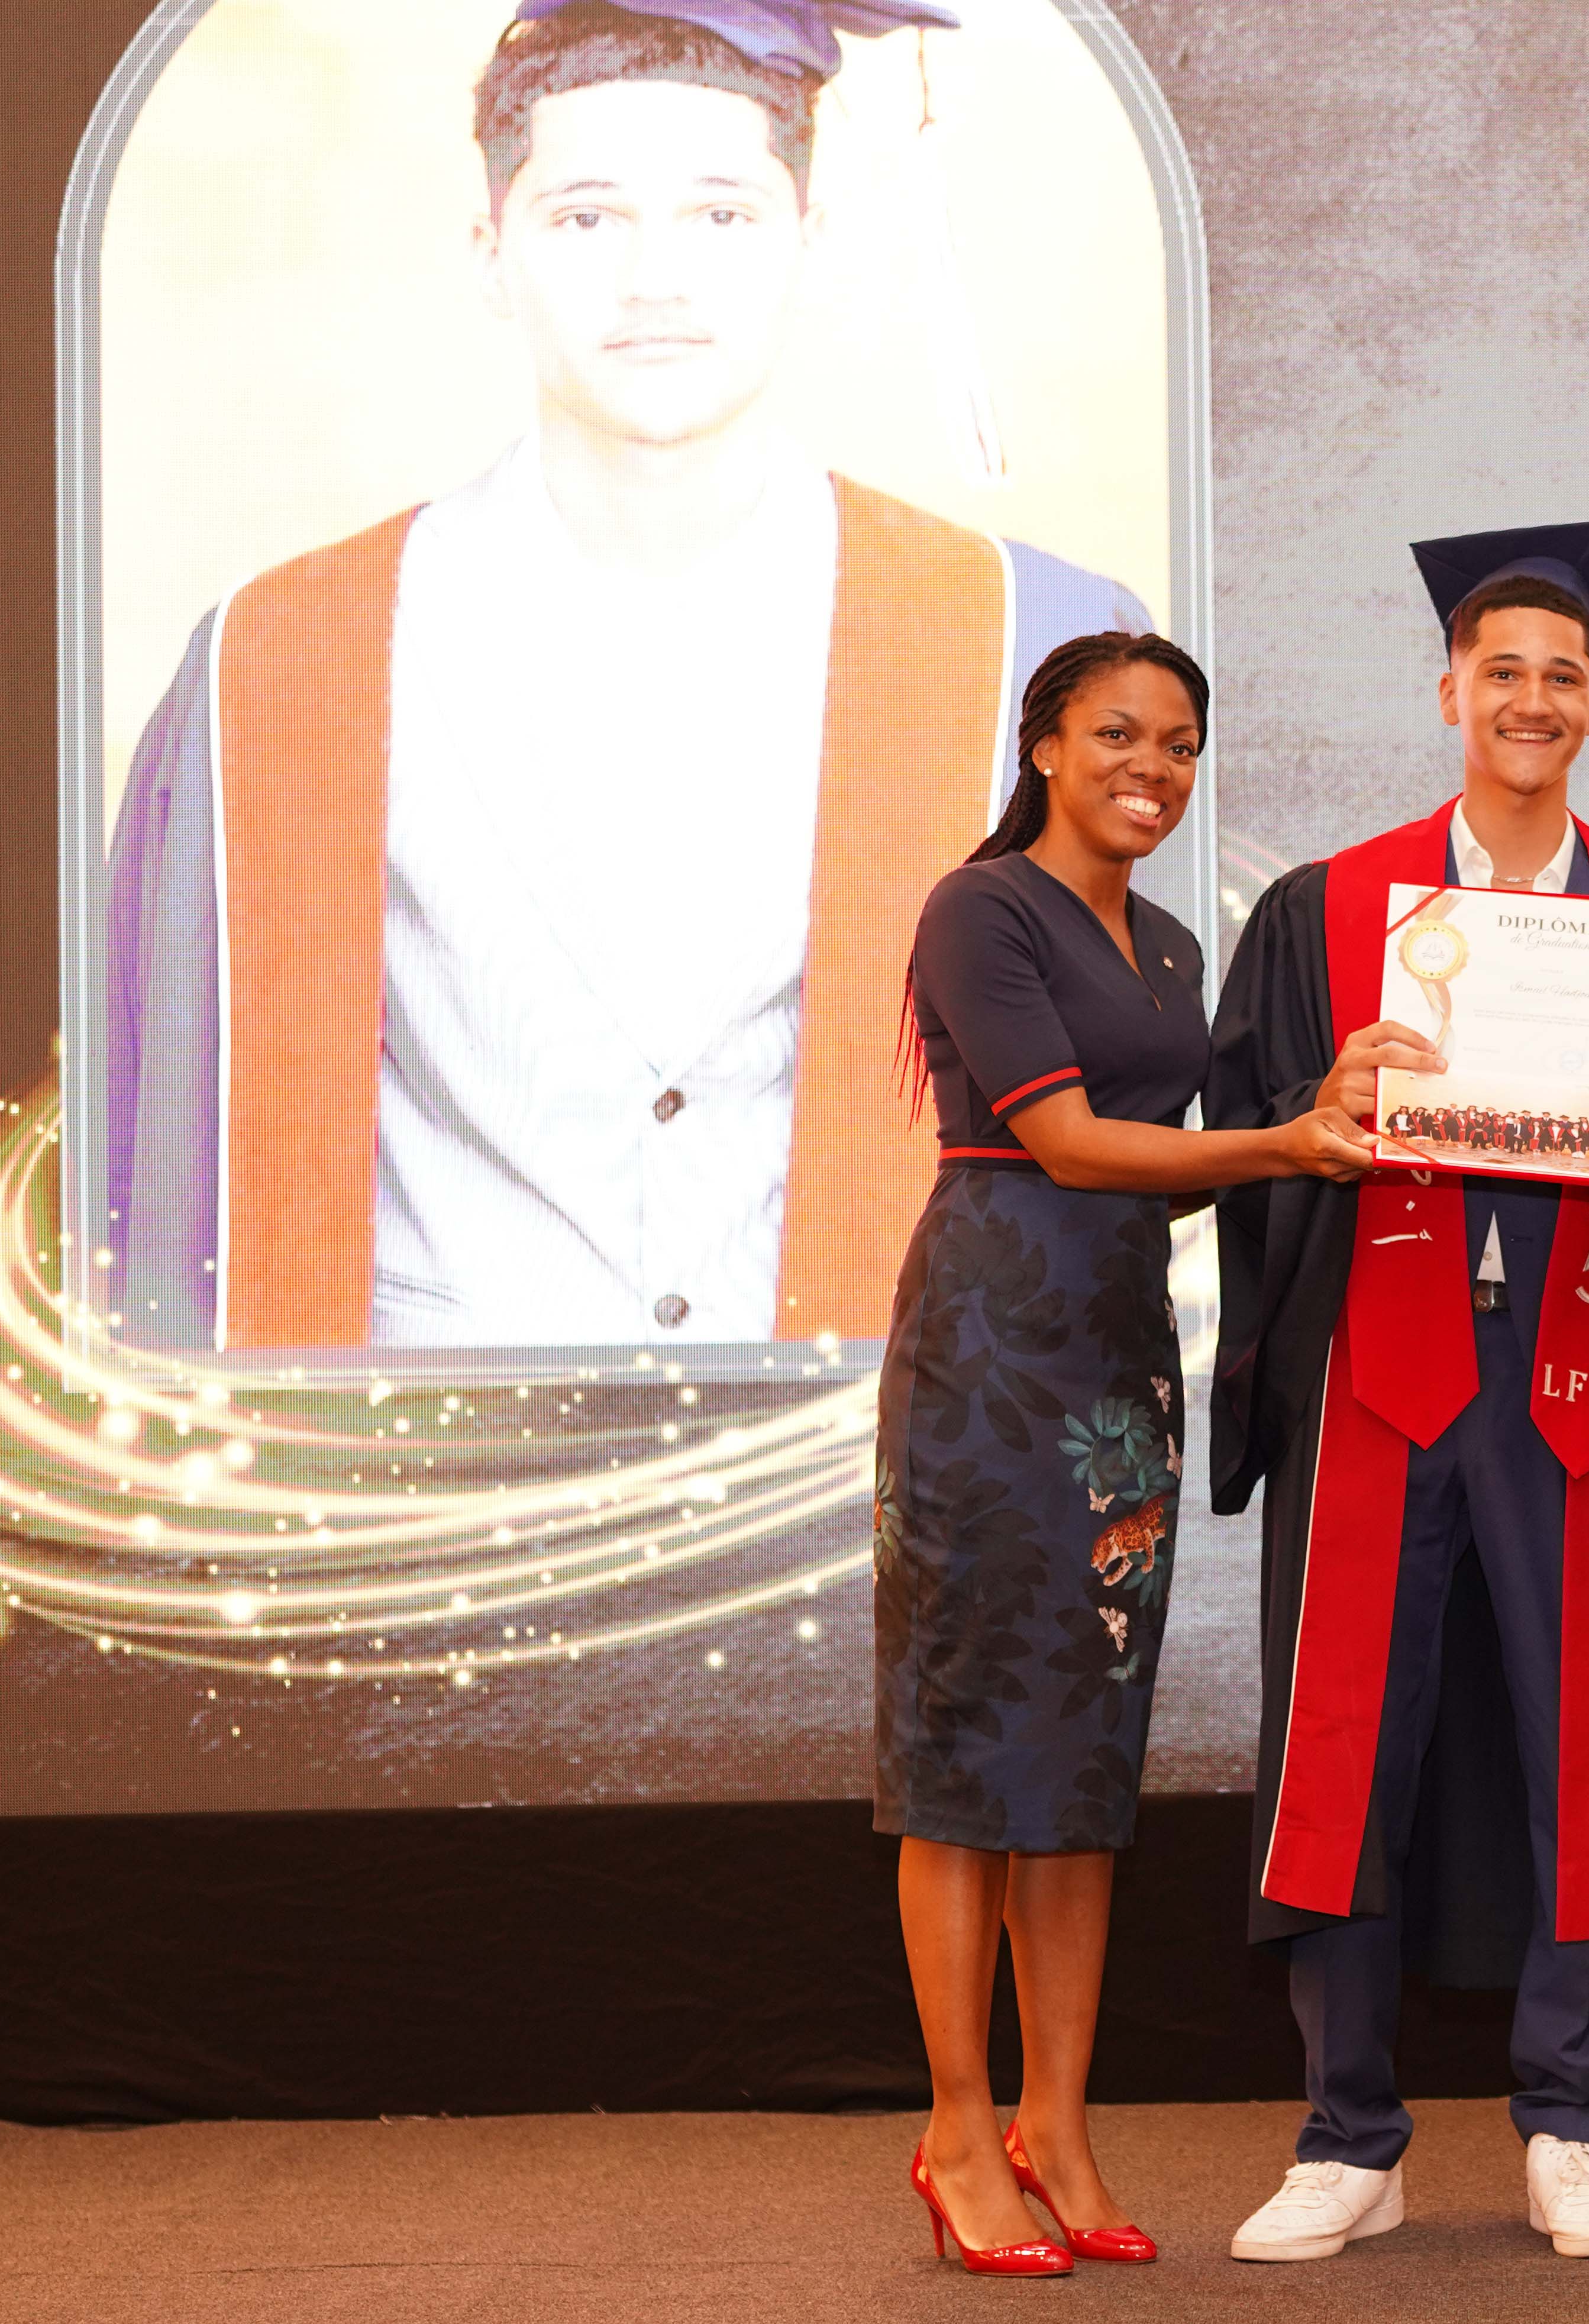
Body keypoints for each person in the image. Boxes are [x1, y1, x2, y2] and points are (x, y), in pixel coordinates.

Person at [102, 0, 1144, 1354]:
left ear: (810, 239)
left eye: (721, 214)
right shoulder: (276, 661)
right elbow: (163, 1192)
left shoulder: (1028, 649)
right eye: (587, 216)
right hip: (418, 1462)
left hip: (885, 1455)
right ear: (491, 252)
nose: (658, 280)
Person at [1204, 523, 1589, 2264]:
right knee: (1342, 1741)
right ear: (1447, 690)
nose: (1532, 700)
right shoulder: (1327, 912)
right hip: (1379, 1369)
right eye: (1501, 671)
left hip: (1582, 1380)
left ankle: (1573, 2123)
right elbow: (1244, 1137)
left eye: (1563, 678)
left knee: (1587, 1741)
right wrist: (1323, 1101)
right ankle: (1347, 2135)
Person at [881, 631, 1365, 2277]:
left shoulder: (1168, 941)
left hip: (1117, 1366)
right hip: (986, 1355)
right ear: (1043, 744)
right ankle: (959, 2131)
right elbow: (1074, 1143)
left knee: (1082, 1761)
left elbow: (1197, 1144)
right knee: (967, 1757)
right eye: (1114, 735)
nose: (1148, 768)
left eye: (1176, 744)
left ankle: (1058, 2126)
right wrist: (1292, 1141)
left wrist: (1333, 1102)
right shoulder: (983, 909)